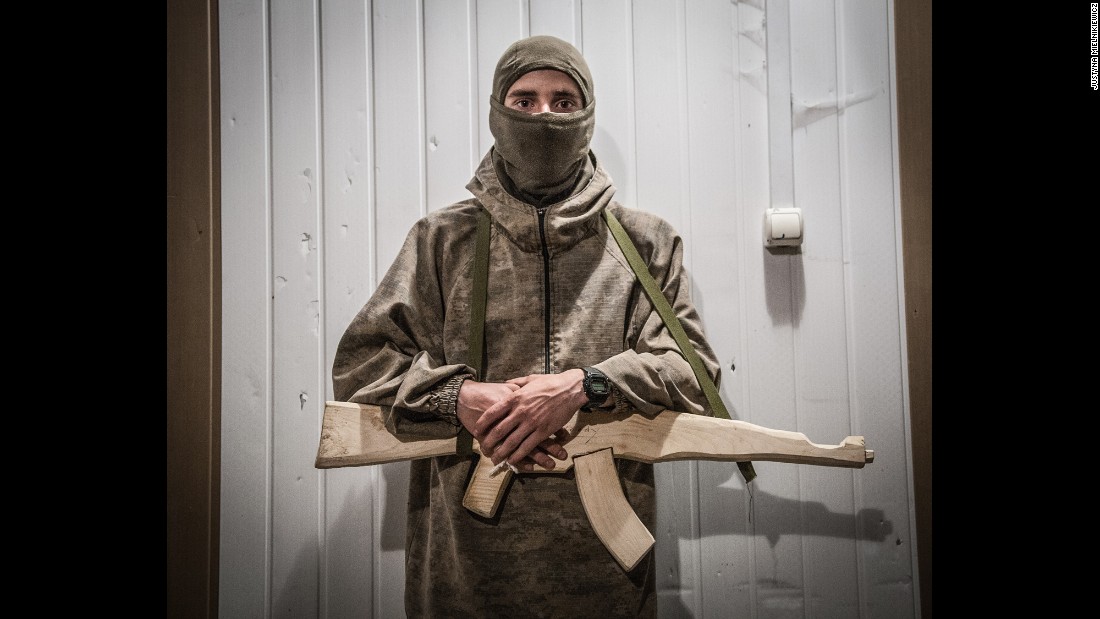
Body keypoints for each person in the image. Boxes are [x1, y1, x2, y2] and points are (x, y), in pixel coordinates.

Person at [332, 34, 723, 618]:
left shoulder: (646, 243)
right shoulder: (441, 241)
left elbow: (695, 373)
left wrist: (582, 386)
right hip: (464, 565)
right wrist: (459, 396)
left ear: (588, 116)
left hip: (607, 573)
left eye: (564, 101)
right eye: (525, 99)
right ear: (497, 112)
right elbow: (362, 364)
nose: (544, 115)